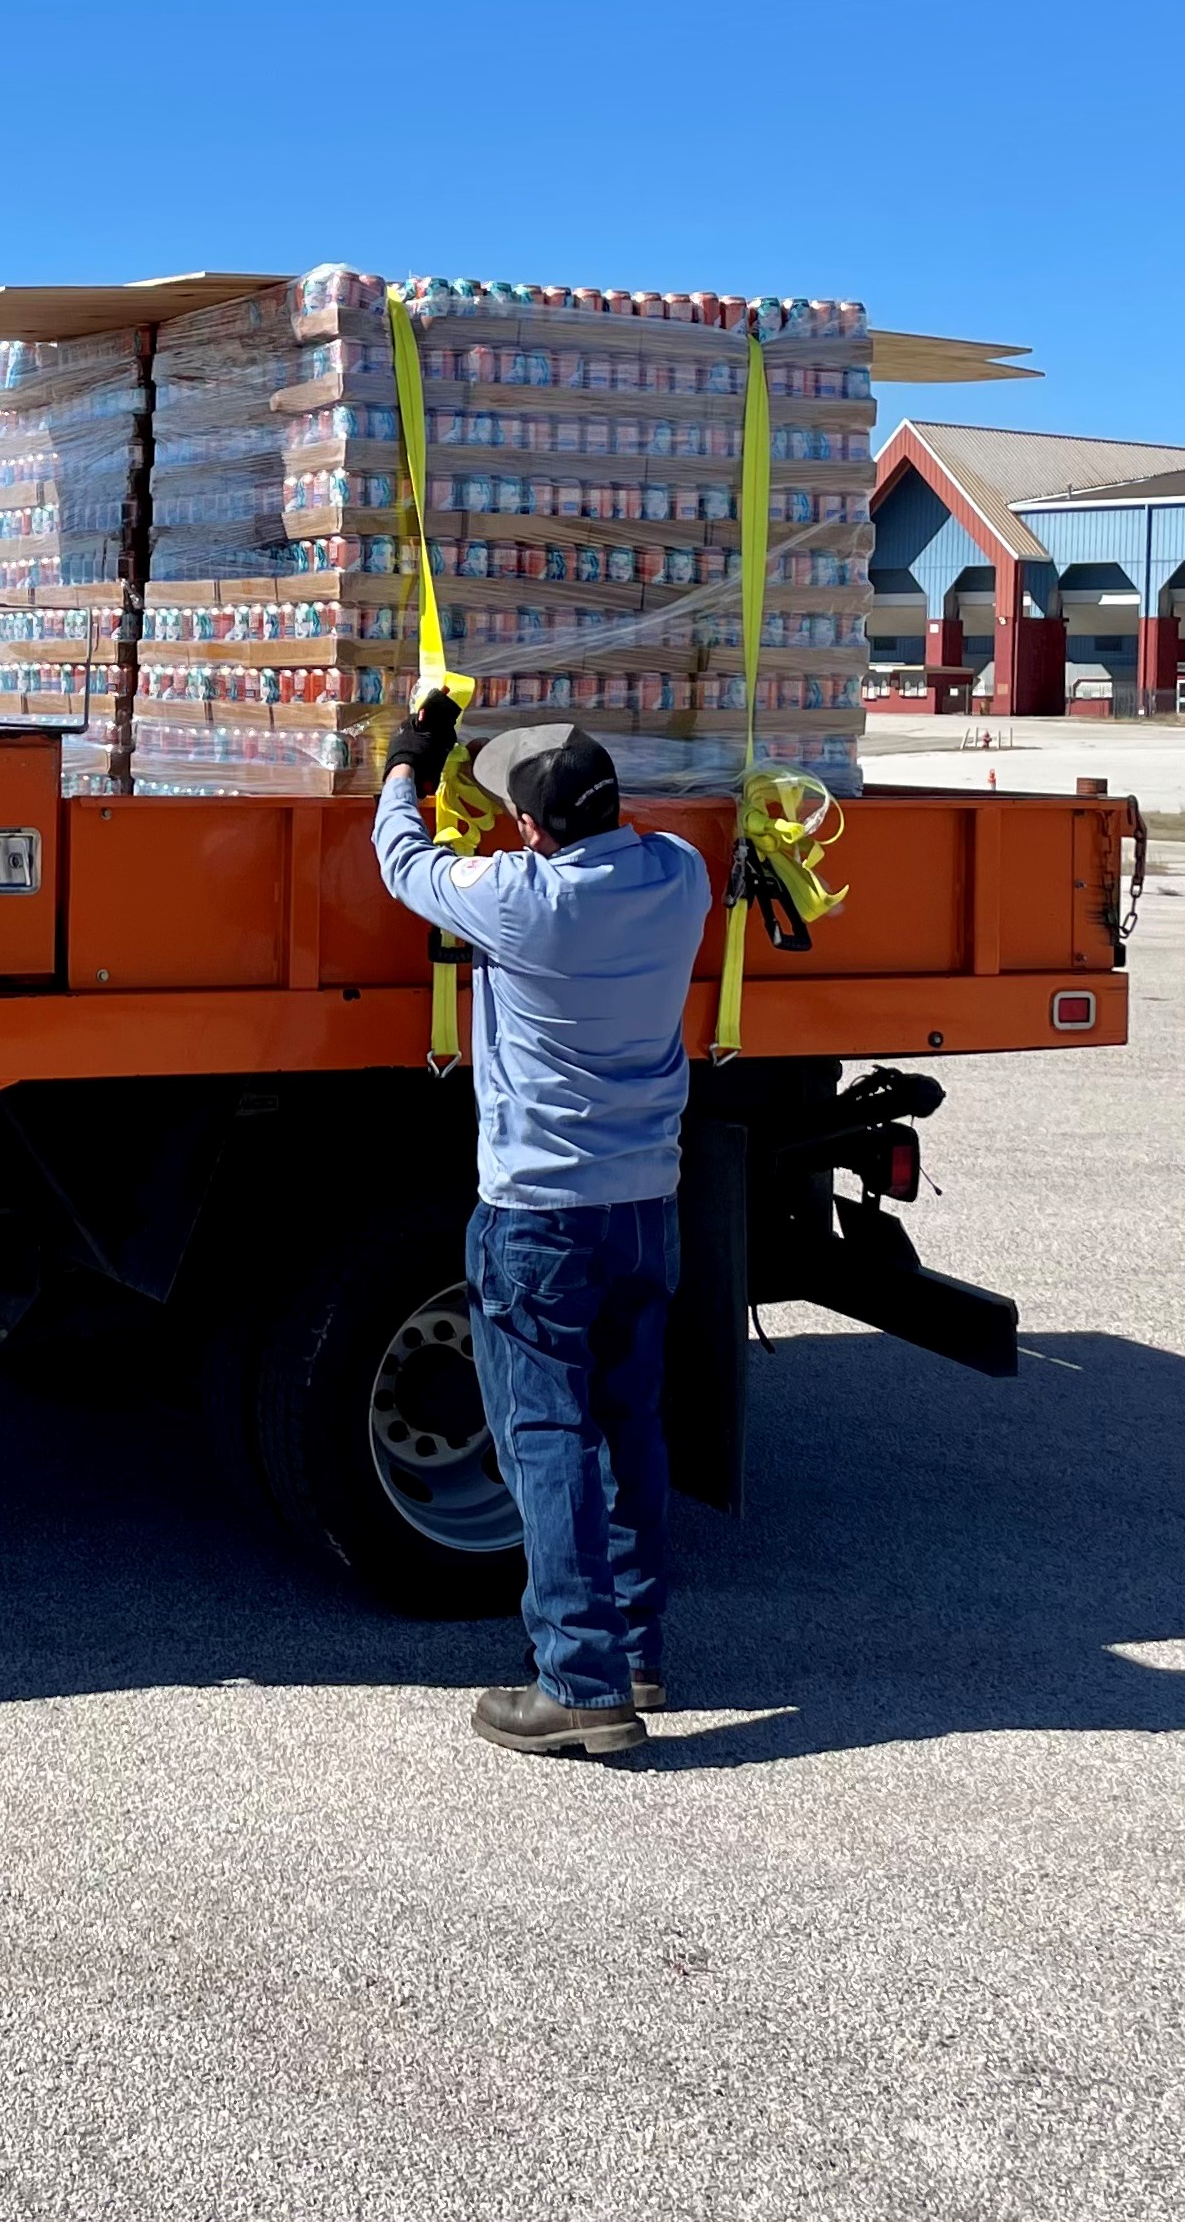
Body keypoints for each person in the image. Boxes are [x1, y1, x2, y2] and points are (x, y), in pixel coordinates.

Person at [372, 695, 713, 1760]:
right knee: (630, 1427)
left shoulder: (518, 901)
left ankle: (577, 1679)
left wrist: (407, 766)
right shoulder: (678, 878)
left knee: (547, 1437)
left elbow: (402, 862)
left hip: (540, 1214)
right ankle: (638, 1646)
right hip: (645, 1202)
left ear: (530, 829)